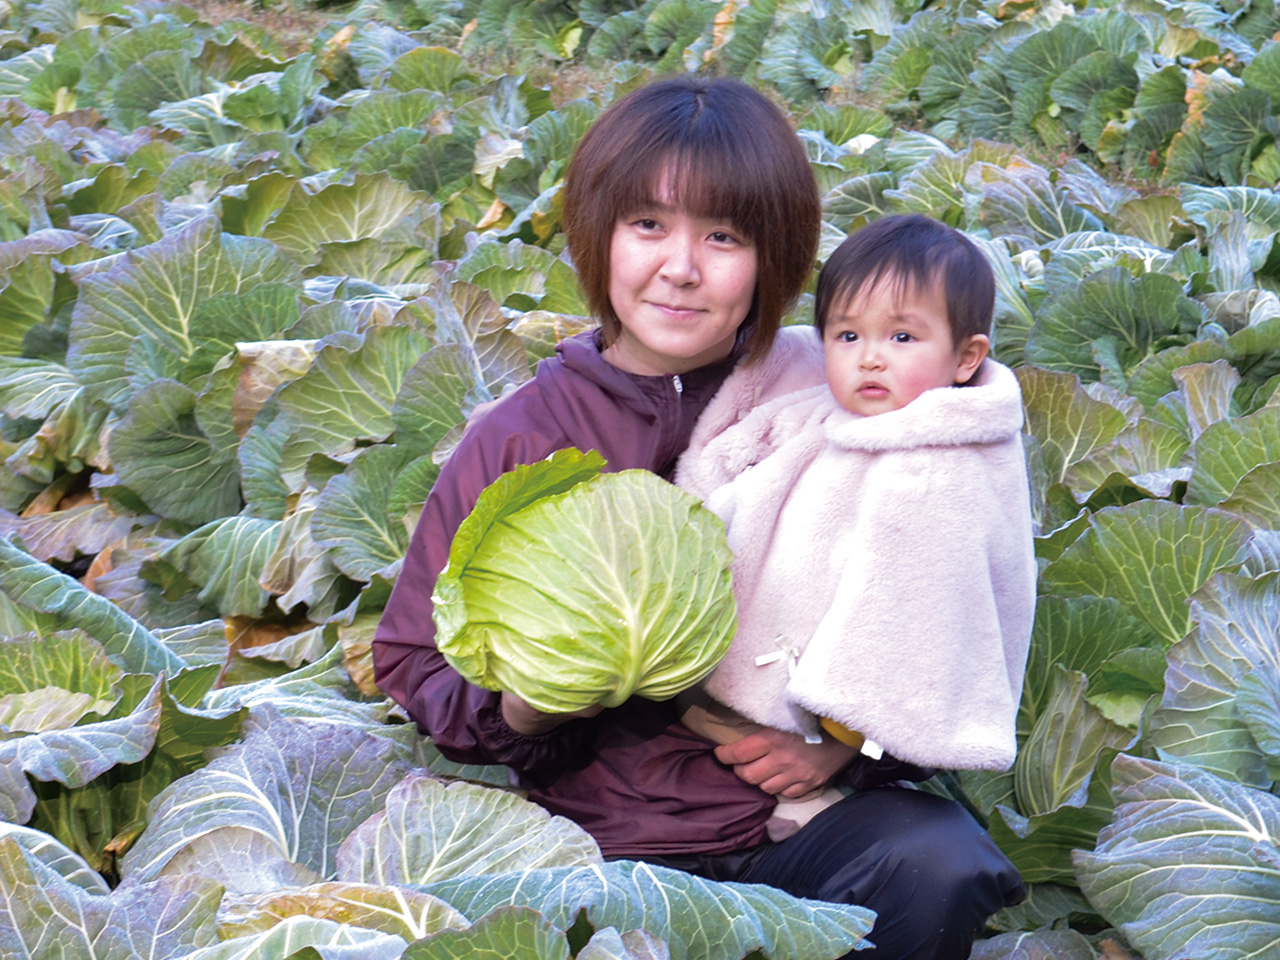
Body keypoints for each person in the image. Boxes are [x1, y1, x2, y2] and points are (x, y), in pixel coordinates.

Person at [372, 78, 1024, 960]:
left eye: (723, 236)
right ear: (596, 235)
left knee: (940, 864)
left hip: (799, 813)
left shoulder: (834, 388)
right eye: (648, 226)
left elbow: (930, 591)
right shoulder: (523, 437)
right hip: (602, 829)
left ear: (774, 259)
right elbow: (413, 663)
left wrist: (848, 749)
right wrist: (528, 701)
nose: (680, 267)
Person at [675, 214, 1038, 843]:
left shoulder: (940, 471)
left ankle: (822, 793)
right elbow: (733, 454)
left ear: (966, 357)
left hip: (828, 730)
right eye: (847, 335)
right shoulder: (822, 413)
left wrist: (840, 739)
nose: (870, 357)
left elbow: (907, 625)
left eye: (902, 337)